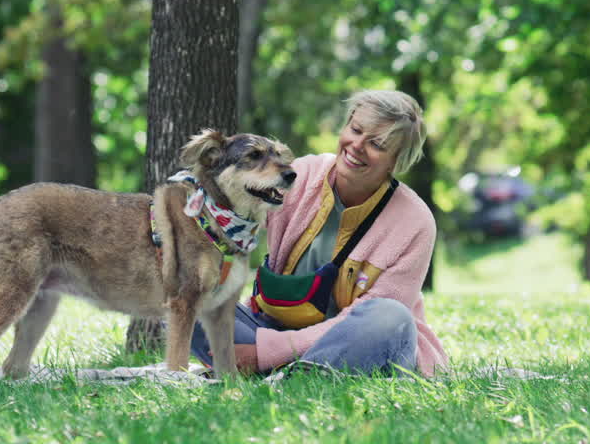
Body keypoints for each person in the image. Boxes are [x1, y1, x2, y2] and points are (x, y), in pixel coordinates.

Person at [190, 89, 448, 377]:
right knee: (186, 298)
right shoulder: (301, 175)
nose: (357, 145)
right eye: (355, 129)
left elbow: (377, 320)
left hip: (362, 345)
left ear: (397, 161)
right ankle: (293, 374)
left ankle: (288, 372)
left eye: (376, 144)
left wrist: (266, 352)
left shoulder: (415, 222)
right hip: (273, 329)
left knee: (391, 316)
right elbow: (232, 222)